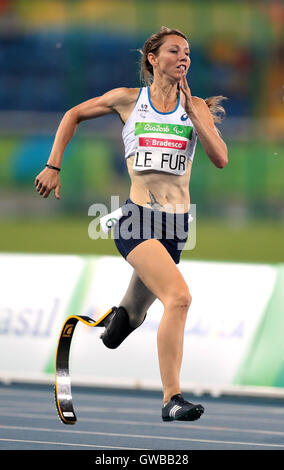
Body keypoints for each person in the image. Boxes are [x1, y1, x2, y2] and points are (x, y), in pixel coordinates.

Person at [35, 26, 228, 422]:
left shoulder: (196, 109)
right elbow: (73, 114)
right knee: (179, 298)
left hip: (176, 229)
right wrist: (54, 164)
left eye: (188, 52)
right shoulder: (129, 101)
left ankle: (116, 324)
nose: (184, 57)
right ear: (153, 59)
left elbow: (221, 158)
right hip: (136, 220)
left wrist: (198, 117)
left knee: (132, 318)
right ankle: (171, 398)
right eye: (175, 51)